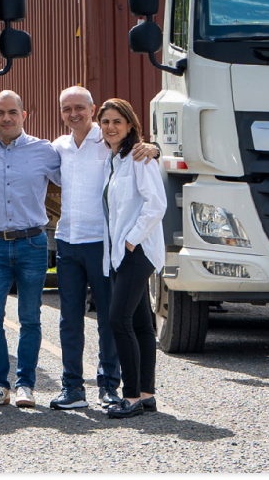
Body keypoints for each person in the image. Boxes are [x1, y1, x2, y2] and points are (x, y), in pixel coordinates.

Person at [47, 86, 159, 411]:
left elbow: (140, 153)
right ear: (62, 112)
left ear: (92, 109)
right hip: (68, 241)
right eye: (67, 108)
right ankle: (72, 388)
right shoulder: (60, 147)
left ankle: (109, 386)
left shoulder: (110, 142)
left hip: (103, 244)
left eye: (79, 107)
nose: (73, 114)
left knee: (109, 320)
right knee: (69, 319)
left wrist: (155, 149)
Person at [0, 90, 59, 409]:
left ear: (24, 115)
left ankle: (26, 385)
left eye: (12, 112)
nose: (6, 118)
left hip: (32, 243)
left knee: (30, 318)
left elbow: (76, 175)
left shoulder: (44, 150)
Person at [97, 99, 165, 419]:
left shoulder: (139, 157)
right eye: (106, 121)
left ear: (130, 125)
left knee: (117, 320)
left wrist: (130, 240)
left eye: (117, 121)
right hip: (123, 253)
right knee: (140, 324)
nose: (111, 127)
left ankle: (132, 396)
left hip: (136, 251)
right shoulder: (115, 160)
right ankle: (147, 394)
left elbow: (156, 205)